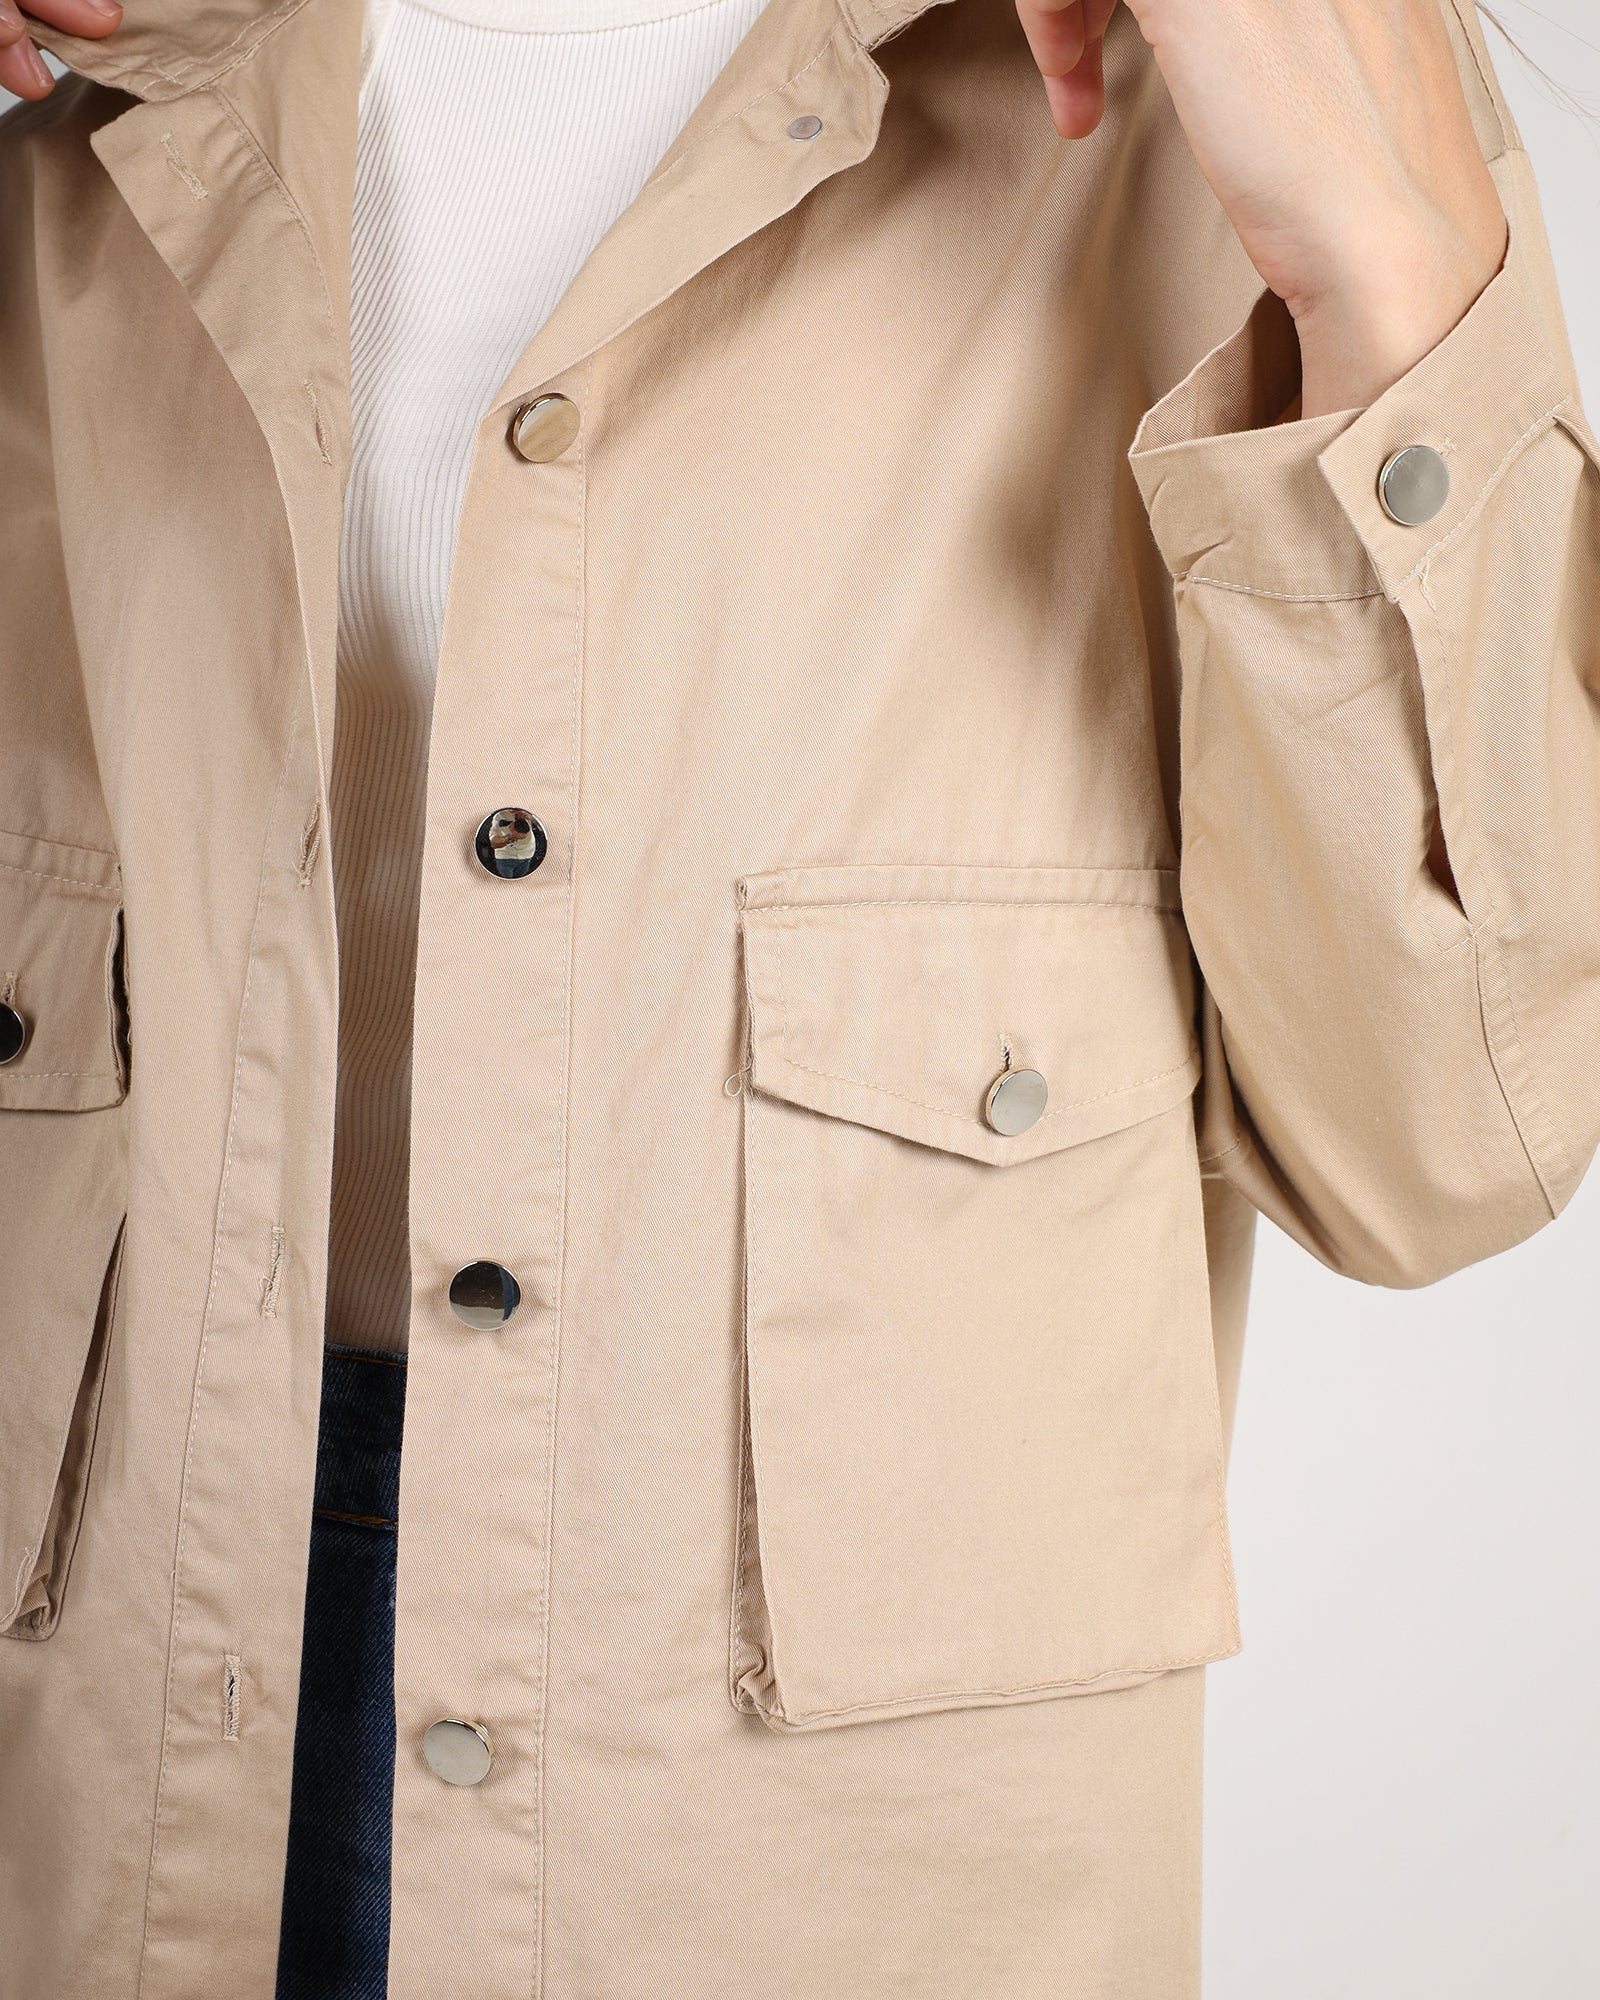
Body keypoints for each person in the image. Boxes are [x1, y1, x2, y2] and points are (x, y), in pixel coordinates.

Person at [1, 0, 1596, 1993]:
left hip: (823, 1877)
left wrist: (1386, 267)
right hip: (108, 1773)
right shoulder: (94, 69)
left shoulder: (1230, 69)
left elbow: (1450, 1137)